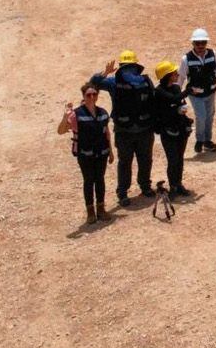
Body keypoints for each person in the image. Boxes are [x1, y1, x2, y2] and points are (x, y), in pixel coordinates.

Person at [90, 51, 156, 205]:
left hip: (132, 129)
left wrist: (105, 74)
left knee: (134, 161)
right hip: (135, 129)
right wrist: (105, 73)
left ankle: (134, 189)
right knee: (136, 160)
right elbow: (93, 84)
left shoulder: (120, 82)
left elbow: (93, 83)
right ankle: (133, 189)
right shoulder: (139, 81)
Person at [57, 84, 113, 225]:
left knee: (100, 179)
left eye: (94, 94)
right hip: (85, 154)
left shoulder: (103, 113)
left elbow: (106, 133)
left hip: (102, 152)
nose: (92, 97)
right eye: (89, 95)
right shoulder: (76, 114)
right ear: (83, 96)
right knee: (89, 181)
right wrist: (65, 117)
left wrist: (111, 152)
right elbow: (61, 131)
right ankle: (90, 213)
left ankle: (101, 209)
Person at [181, 28, 216, 155]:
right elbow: (181, 77)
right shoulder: (186, 59)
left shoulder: (213, 54)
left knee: (209, 116)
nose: (201, 46)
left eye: (203, 43)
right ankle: (199, 140)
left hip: (211, 92)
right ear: (193, 44)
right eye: (197, 43)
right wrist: (176, 95)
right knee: (201, 116)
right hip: (196, 94)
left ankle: (207, 141)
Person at [151, 60, 194, 198]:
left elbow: (179, 102)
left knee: (180, 159)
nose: (177, 74)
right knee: (173, 159)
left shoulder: (175, 88)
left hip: (180, 128)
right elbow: (173, 100)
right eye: (174, 73)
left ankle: (179, 184)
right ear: (168, 75)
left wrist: (182, 111)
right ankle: (173, 186)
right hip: (167, 131)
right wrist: (187, 91)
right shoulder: (159, 91)